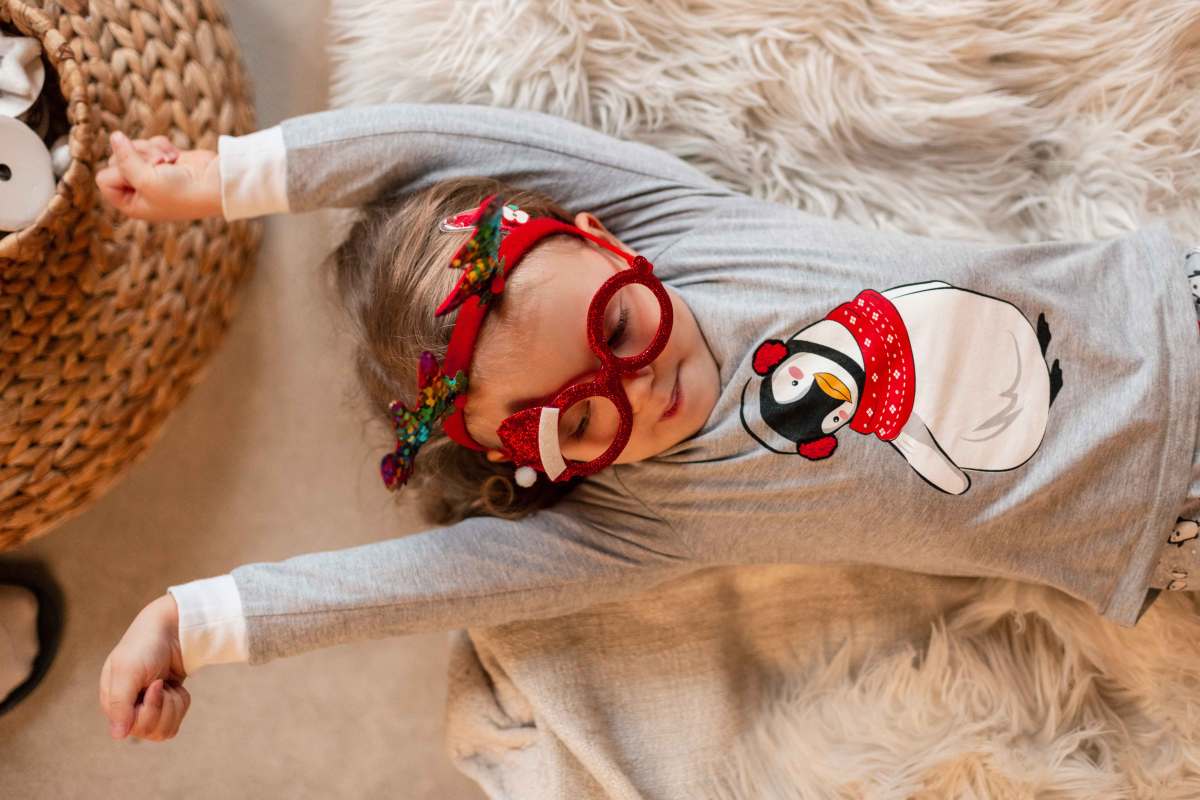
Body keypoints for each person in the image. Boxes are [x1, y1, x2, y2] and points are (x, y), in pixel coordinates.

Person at [95, 105, 1200, 745]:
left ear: (606, 235)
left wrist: (231, 178)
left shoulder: (691, 230)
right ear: (533, 466)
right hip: (1165, 518)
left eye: (619, 323)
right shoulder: (634, 522)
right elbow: (414, 584)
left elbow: (432, 142)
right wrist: (194, 620)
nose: (637, 387)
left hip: (1171, 292)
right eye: (578, 422)